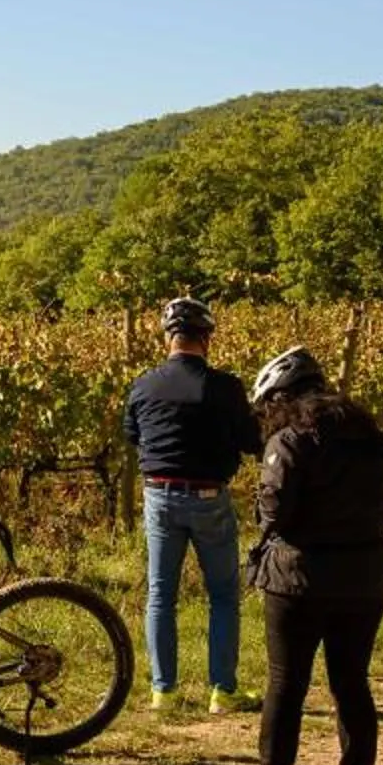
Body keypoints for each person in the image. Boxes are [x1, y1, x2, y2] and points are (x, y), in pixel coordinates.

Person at [242, 347, 383, 765]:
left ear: (282, 398)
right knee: (351, 683)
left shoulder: (287, 442)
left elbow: (274, 512)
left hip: (297, 577)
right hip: (365, 575)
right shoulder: (372, 440)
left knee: (286, 683)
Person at [122, 296, 262, 711]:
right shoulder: (226, 386)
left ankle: (163, 692)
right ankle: (223, 691)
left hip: (159, 496)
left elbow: (132, 435)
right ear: (206, 338)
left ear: (169, 338)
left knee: (161, 593)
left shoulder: (144, 383)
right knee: (222, 593)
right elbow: (252, 441)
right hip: (208, 497)